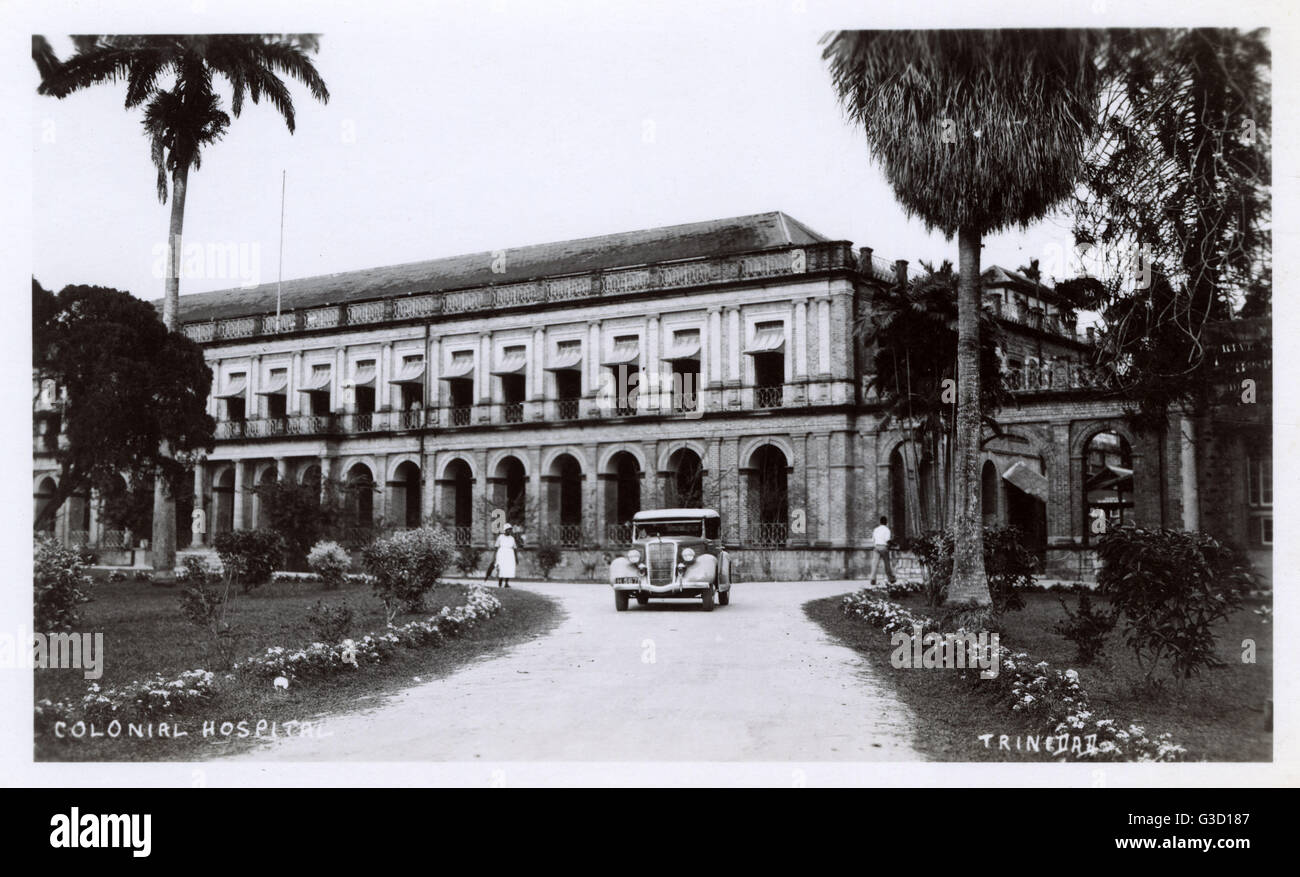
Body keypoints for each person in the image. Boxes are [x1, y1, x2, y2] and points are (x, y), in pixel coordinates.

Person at [869, 516, 896, 586]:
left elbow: (873, 540)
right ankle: (891, 578)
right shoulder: (887, 530)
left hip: (876, 547)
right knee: (887, 564)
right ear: (886, 522)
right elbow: (888, 540)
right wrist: (893, 544)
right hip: (884, 547)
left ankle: (873, 579)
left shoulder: (876, 529)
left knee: (874, 564)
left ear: (880, 522)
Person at [494, 524, 518, 588]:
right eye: (508, 530)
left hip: (510, 554)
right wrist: (495, 557)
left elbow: (515, 548)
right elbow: (496, 547)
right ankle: (500, 583)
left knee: (509, 568)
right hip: (502, 554)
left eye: (510, 530)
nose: (510, 531)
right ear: (505, 530)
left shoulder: (512, 538)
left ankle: (506, 583)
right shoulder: (500, 537)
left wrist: (516, 558)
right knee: (502, 568)